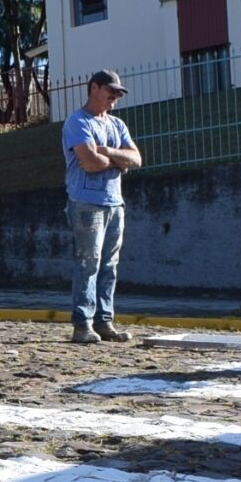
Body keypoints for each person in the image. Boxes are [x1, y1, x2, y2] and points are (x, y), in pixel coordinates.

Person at [63, 69, 143, 343]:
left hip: (114, 202)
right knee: (88, 262)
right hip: (87, 203)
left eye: (118, 94)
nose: (114, 98)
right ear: (94, 88)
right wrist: (118, 162)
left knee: (110, 264)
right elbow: (88, 162)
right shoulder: (77, 121)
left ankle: (104, 321)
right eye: (110, 92)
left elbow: (136, 159)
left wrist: (107, 152)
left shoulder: (117, 125)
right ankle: (82, 324)